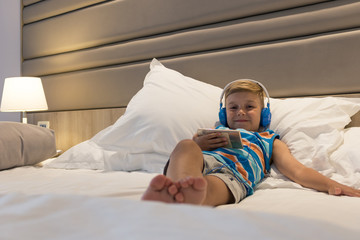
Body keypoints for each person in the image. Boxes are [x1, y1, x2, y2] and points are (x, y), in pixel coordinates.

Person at [142, 79, 360, 206]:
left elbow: (298, 171)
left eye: (250, 106)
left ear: (264, 115)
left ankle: (188, 196)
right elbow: (186, 156)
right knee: (185, 146)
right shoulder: (214, 131)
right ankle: (179, 188)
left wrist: (333, 185)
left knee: (213, 186)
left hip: (233, 175)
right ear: (223, 112)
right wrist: (198, 145)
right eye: (233, 107)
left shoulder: (269, 140)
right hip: (201, 163)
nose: (241, 112)